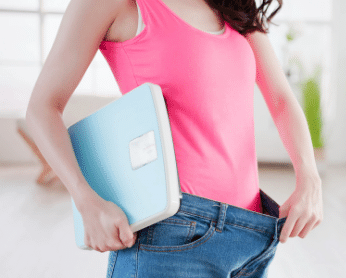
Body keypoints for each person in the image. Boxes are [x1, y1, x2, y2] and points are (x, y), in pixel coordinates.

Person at [25, 0, 323, 276]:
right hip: (172, 233)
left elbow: (281, 99)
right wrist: (85, 200)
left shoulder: (235, 7)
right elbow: (42, 108)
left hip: (254, 234)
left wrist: (309, 176)